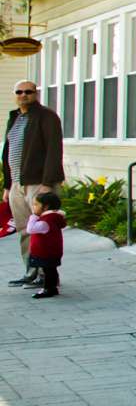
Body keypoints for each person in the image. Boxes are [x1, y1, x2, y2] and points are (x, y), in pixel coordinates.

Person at [5, 80, 63, 283]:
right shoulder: (15, 117)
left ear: (35, 94)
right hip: (17, 183)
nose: (23, 95)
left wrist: (48, 183)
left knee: (44, 230)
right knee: (24, 229)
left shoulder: (47, 116)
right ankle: (31, 272)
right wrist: (7, 185)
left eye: (28, 92)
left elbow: (54, 150)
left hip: (39, 182)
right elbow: (8, 152)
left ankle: (47, 276)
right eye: (19, 91)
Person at [24, 189, 63, 299]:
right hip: (52, 251)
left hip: (46, 252)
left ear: (46, 207)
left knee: (48, 271)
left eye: (36, 204)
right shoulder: (53, 218)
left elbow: (30, 229)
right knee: (51, 270)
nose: (33, 207)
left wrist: (33, 216)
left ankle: (48, 289)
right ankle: (52, 288)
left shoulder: (45, 221)